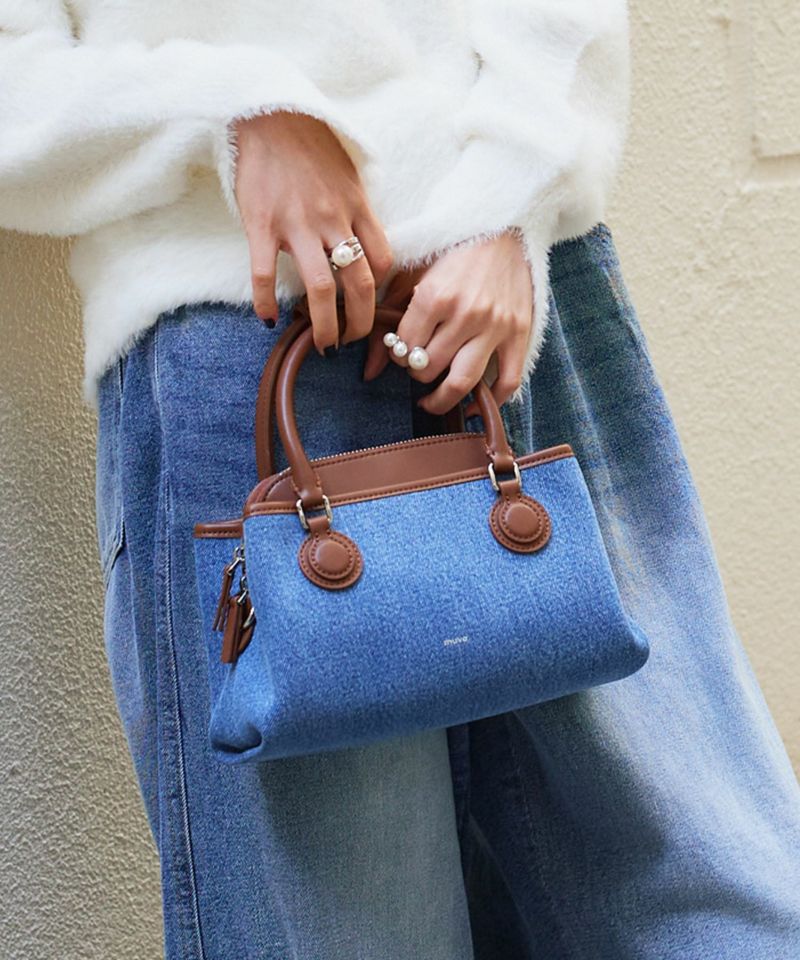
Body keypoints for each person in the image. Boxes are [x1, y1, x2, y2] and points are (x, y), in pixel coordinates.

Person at [2, 2, 800, 957]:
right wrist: (234, 115)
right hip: (242, 361)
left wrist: (512, 190)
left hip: (513, 306)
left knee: (725, 900)